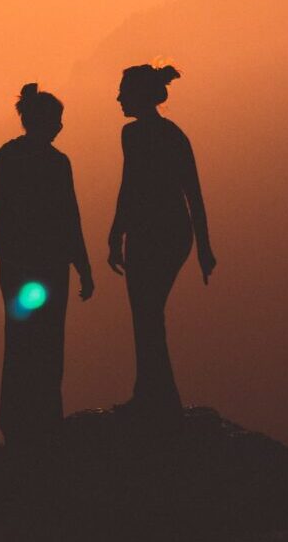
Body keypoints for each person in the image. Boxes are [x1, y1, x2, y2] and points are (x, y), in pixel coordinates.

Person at [106, 63, 215, 419]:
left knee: (147, 312)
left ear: (139, 95)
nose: (119, 97)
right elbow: (134, 185)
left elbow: (189, 191)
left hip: (159, 233)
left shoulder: (151, 136)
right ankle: (153, 393)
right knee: (147, 313)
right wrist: (116, 232)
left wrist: (205, 248)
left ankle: (157, 397)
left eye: (124, 90)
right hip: (158, 231)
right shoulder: (156, 135)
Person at [0, 83, 93, 447]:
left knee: (21, 340)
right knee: (46, 342)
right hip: (44, 267)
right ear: (42, 121)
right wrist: (83, 266)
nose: (61, 126)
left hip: (26, 268)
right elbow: (69, 218)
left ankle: (19, 419)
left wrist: (9, 259)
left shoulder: (6, 158)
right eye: (57, 119)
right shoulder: (53, 163)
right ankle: (42, 418)